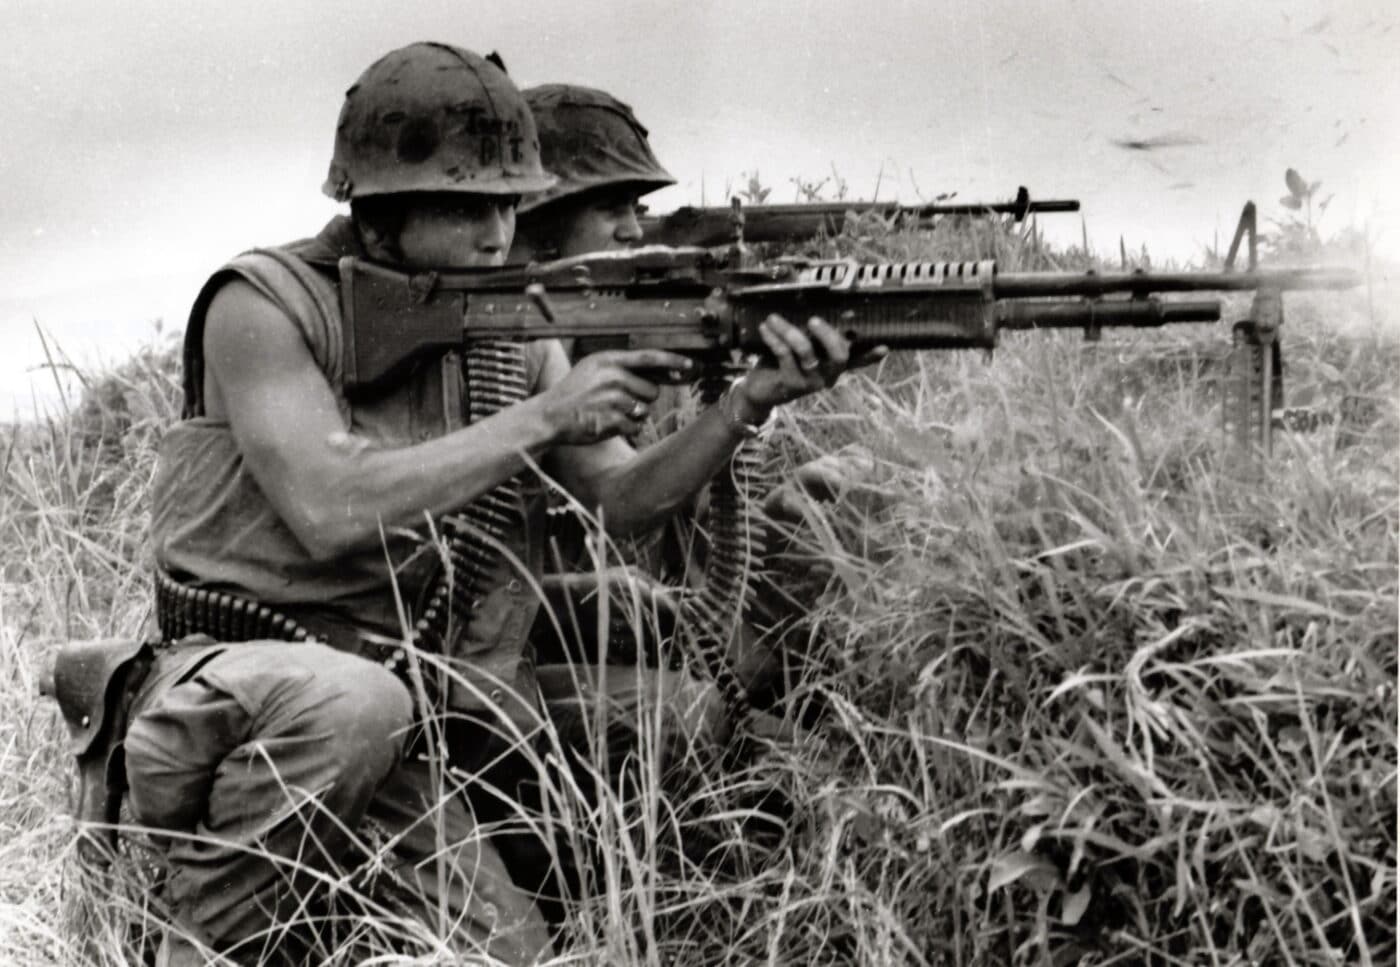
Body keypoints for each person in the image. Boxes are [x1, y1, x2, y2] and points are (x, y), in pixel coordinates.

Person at [112, 42, 861, 966]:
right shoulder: (263, 305)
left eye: (510, 201)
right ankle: (186, 936)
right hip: (267, 686)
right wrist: (546, 416)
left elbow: (620, 500)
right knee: (352, 704)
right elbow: (330, 506)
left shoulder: (505, 323)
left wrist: (745, 407)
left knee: (507, 951)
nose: (499, 230)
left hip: (416, 698)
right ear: (381, 204)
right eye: (470, 204)